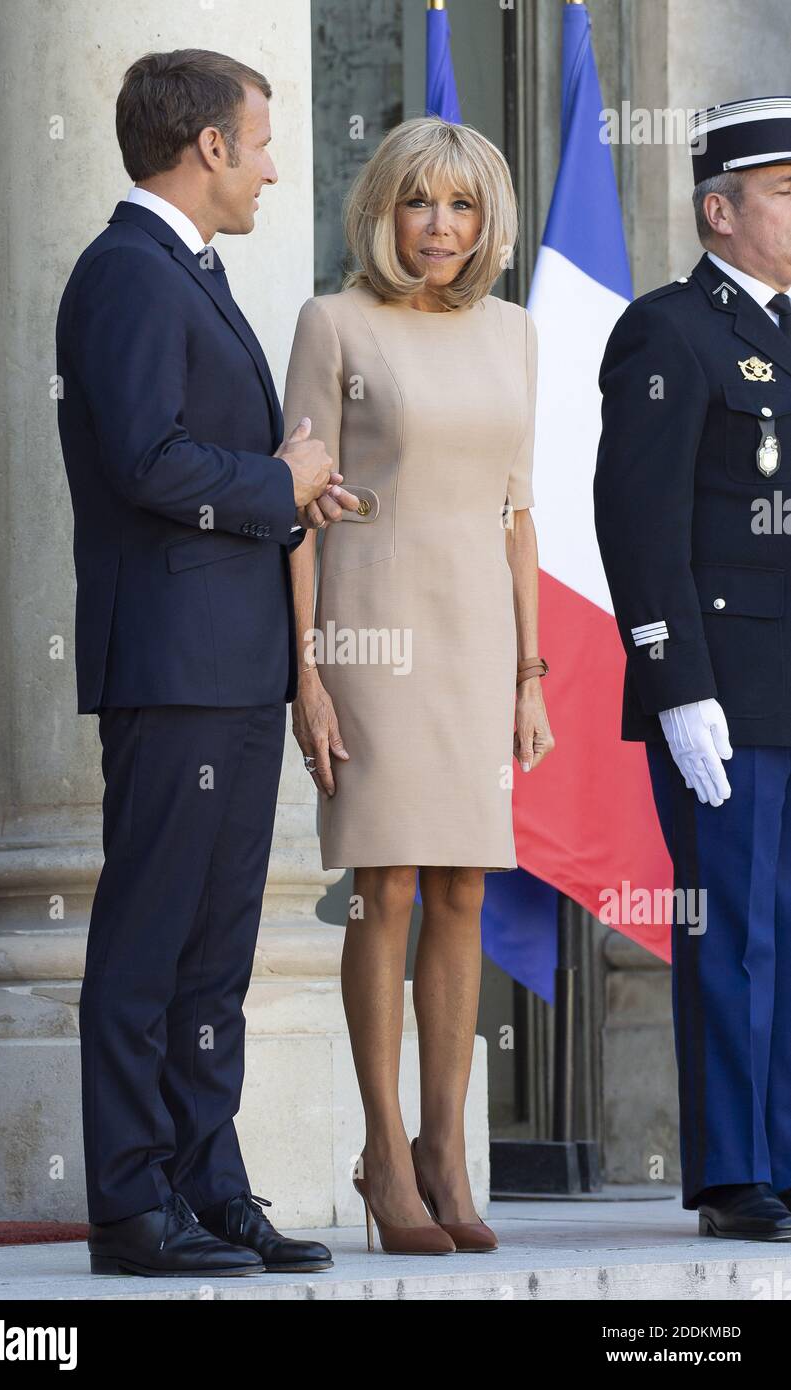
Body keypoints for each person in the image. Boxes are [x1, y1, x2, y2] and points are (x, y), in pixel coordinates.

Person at [56, 48, 359, 1277]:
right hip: (175, 667)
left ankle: (204, 1182)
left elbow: (201, 464)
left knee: (214, 948)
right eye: (263, 141)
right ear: (210, 147)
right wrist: (272, 481)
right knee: (151, 939)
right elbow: (145, 460)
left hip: (228, 668)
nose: (276, 168)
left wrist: (296, 495)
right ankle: (131, 1205)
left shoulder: (186, 269)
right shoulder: (127, 271)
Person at [283, 117, 554, 1255]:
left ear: (485, 222)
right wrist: (306, 670)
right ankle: (383, 1151)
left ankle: (448, 1148)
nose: (440, 228)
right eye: (418, 204)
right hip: (369, 623)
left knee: (464, 888)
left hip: (477, 633)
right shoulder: (331, 321)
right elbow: (297, 507)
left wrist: (531, 673)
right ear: (383, 213)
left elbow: (515, 507)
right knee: (383, 882)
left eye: (462, 207)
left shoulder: (517, 332)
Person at [594, 96, 791, 1241]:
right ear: (718, 211)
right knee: (735, 925)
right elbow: (636, 520)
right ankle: (733, 1169)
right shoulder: (668, 331)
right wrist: (675, 684)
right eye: (781, 192)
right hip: (725, 688)